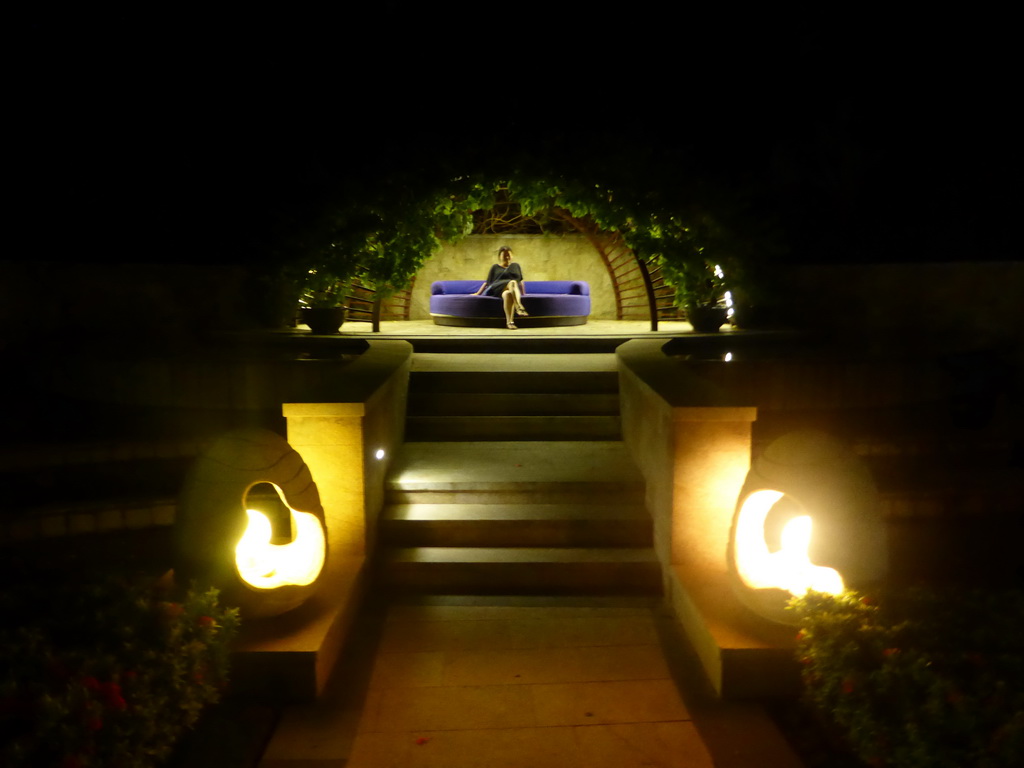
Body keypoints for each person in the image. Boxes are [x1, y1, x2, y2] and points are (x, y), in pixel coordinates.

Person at [474, 245, 529, 329]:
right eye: (504, 255)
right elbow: (487, 282)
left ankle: (510, 322)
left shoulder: (516, 266)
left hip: (510, 290)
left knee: (508, 294)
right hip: (497, 288)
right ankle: (519, 307)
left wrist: (523, 293)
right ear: (500, 256)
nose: (507, 257)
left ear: (512, 256)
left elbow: (521, 281)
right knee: (513, 282)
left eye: (509, 255)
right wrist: (478, 293)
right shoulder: (495, 267)